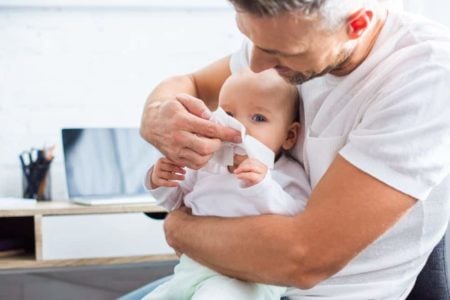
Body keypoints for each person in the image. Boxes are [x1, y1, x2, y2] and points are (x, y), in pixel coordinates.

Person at [139, 0, 450, 298]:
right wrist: (156, 114)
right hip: (220, 271)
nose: (257, 65)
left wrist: (178, 229)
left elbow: (303, 259)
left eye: (279, 52)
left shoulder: (426, 77)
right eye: (249, 37)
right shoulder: (286, 34)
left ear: (357, 25)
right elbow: (190, 82)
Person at [143, 69, 310, 299]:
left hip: (247, 281)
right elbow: (176, 204)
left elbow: (299, 219)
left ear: (289, 136)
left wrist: (263, 187)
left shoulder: (284, 174)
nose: (238, 129)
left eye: (258, 118)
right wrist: (161, 180)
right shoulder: (207, 163)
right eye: (229, 114)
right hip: (191, 269)